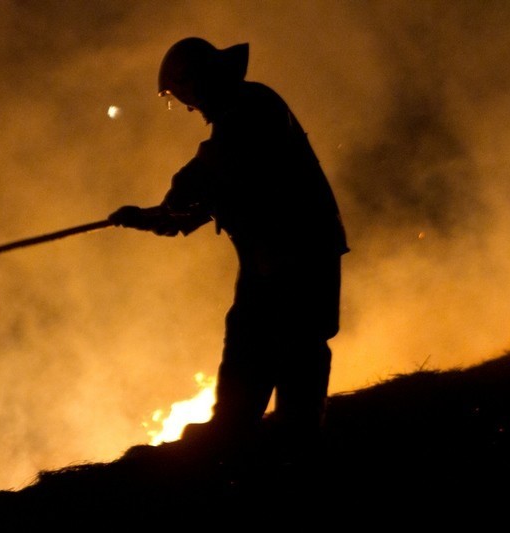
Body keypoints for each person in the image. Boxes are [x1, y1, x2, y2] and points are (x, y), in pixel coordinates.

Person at [109, 37, 349, 462]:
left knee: (297, 344)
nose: (189, 107)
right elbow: (219, 190)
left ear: (201, 81)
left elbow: (216, 168)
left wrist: (172, 203)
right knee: (248, 337)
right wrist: (161, 218)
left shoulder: (253, 105)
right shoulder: (239, 117)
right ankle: (233, 429)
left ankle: (298, 439)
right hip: (267, 256)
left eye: (187, 96)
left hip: (300, 250)